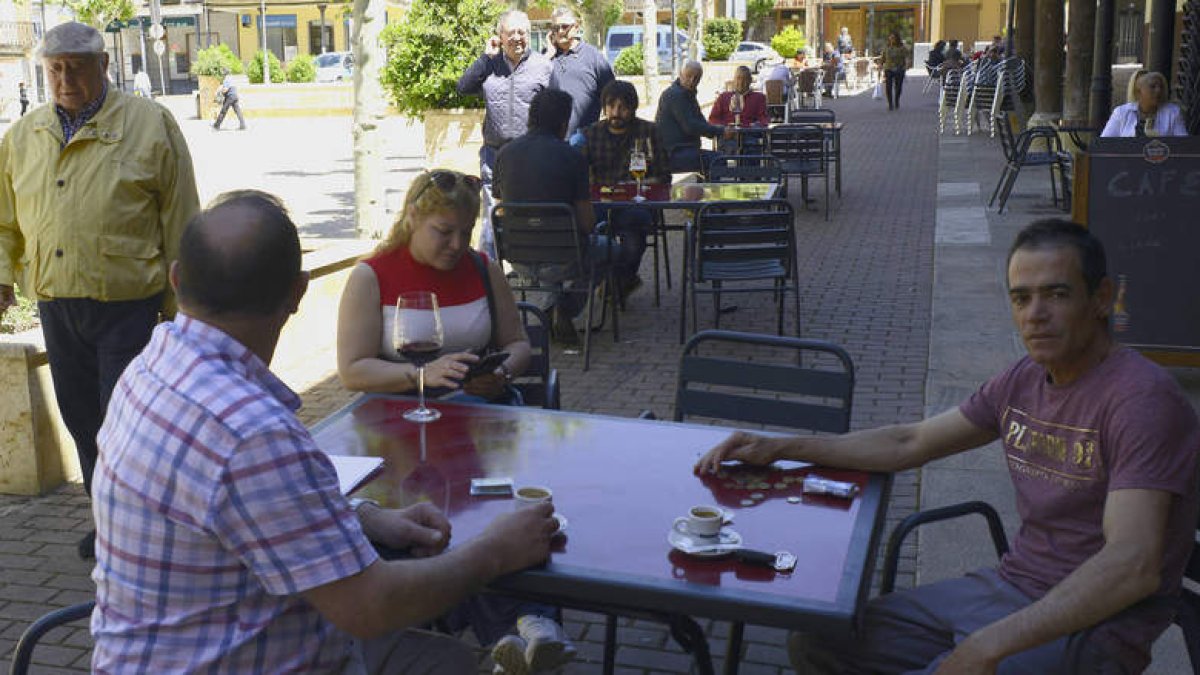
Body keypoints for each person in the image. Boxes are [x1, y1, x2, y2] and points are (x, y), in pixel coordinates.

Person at [696, 218, 1200, 674]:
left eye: (1057, 294)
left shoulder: (1141, 400)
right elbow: (909, 441)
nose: (1035, 315)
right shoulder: (1024, 378)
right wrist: (782, 446)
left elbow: (1133, 565)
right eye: (1021, 298)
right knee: (819, 642)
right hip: (1012, 586)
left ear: (1102, 297)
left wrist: (989, 645)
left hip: (1099, 626)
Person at [89, 190, 562, 673]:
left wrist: (364, 516)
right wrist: (497, 550)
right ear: (297, 292)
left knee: (443, 654)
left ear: (175, 278)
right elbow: (371, 607)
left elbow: (239, 510)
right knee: (458, 662)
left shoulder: (150, 367)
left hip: (149, 654)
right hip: (250, 657)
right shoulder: (253, 432)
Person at [0, 21, 199, 560]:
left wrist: (186, 308)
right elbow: (5, 224)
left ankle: (144, 527)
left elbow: (180, 219)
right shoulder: (22, 136)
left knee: (126, 424)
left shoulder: (149, 123)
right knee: (83, 420)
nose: (65, 79)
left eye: (77, 67)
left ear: (103, 66)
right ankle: (108, 521)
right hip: (56, 300)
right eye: (55, 68)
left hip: (127, 303)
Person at [336, 169, 532, 403]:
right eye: (444, 231)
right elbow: (352, 371)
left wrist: (501, 374)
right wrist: (421, 375)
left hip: (475, 414)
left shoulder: (484, 269)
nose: (457, 244)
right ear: (413, 216)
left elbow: (518, 343)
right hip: (398, 416)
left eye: (466, 232)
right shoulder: (371, 277)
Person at [494, 88, 608, 346]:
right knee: (608, 248)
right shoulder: (572, 157)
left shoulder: (504, 154)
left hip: (517, 256)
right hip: (566, 258)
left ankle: (548, 309)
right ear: (564, 122)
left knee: (566, 250)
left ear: (530, 117)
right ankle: (563, 310)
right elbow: (588, 223)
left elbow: (500, 210)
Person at [457, 9, 552, 259]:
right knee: (492, 216)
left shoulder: (543, 67)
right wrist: (485, 57)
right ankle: (489, 274)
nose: (518, 38)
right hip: (494, 156)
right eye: (512, 33)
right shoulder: (489, 65)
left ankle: (533, 268)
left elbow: (557, 109)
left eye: (523, 32)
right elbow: (463, 87)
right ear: (500, 36)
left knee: (533, 214)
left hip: (532, 155)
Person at [580, 80, 670, 303]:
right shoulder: (591, 133)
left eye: (623, 107)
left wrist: (641, 185)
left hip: (636, 204)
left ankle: (620, 278)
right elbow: (580, 175)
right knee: (583, 231)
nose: (616, 112)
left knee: (635, 231)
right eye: (611, 107)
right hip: (601, 204)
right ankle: (617, 279)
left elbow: (664, 175)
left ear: (633, 108)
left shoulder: (648, 131)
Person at [546, 5, 614, 140]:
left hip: (585, 140)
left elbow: (612, 96)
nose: (560, 31)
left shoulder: (593, 57)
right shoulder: (545, 58)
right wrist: (548, 55)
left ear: (576, 27)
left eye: (565, 26)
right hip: (551, 141)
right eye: (555, 28)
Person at [655, 60, 734, 173]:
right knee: (718, 160)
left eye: (696, 78)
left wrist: (718, 129)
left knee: (713, 158)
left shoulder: (686, 93)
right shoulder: (676, 95)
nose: (692, 81)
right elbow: (691, 126)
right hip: (672, 153)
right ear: (680, 74)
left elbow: (701, 122)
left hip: (679, 150)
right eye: (689, 76)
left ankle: (702, 188)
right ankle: (714, 190)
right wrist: (720, 131)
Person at [1101, 70, 1188, 138]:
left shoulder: (1173, 112)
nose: (1158, 90)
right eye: (1152, 87)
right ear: (1139, 92)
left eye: (1161, 87)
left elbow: (1183, 145)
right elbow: (1105, 143)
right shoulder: (1121, 113)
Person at [708, 65, 768, 129]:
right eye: (738, 78)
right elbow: (712, 119)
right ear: (734, 80)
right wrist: (725, 128)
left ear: (750, 80)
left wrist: (751, 126)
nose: (741, 82)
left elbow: (764, 120)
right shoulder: (723, 97)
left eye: (745, 79)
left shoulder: (759, 98)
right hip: (727, 136)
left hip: (749, 134)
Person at [878, 32, 909, 111]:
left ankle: (896, 100)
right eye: (890, 38)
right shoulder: (886, 47)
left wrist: (906, 66)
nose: (891, 39)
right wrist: (880, 66)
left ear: (897, 38)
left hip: (899, 69)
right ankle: (890, 104)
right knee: (888, 87)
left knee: (898, 87)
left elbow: (906, 57)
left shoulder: (902, 47)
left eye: (893, 38)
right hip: (888, 69)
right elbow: (883, 57)